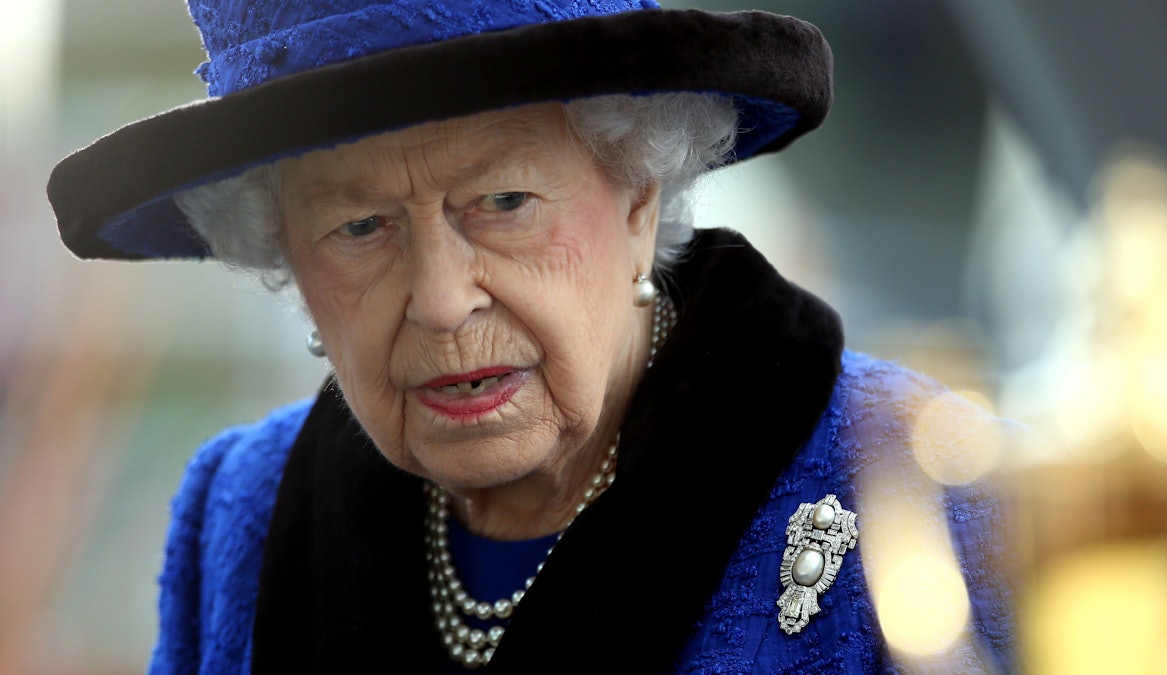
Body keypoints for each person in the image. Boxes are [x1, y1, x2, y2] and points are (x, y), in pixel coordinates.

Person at [47, 1, 1018, 672]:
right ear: (288, 258)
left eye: (504, 201)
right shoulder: (240, 512)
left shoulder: (932, 494)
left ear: (638, 192)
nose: (440, 301)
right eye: (360, 226)